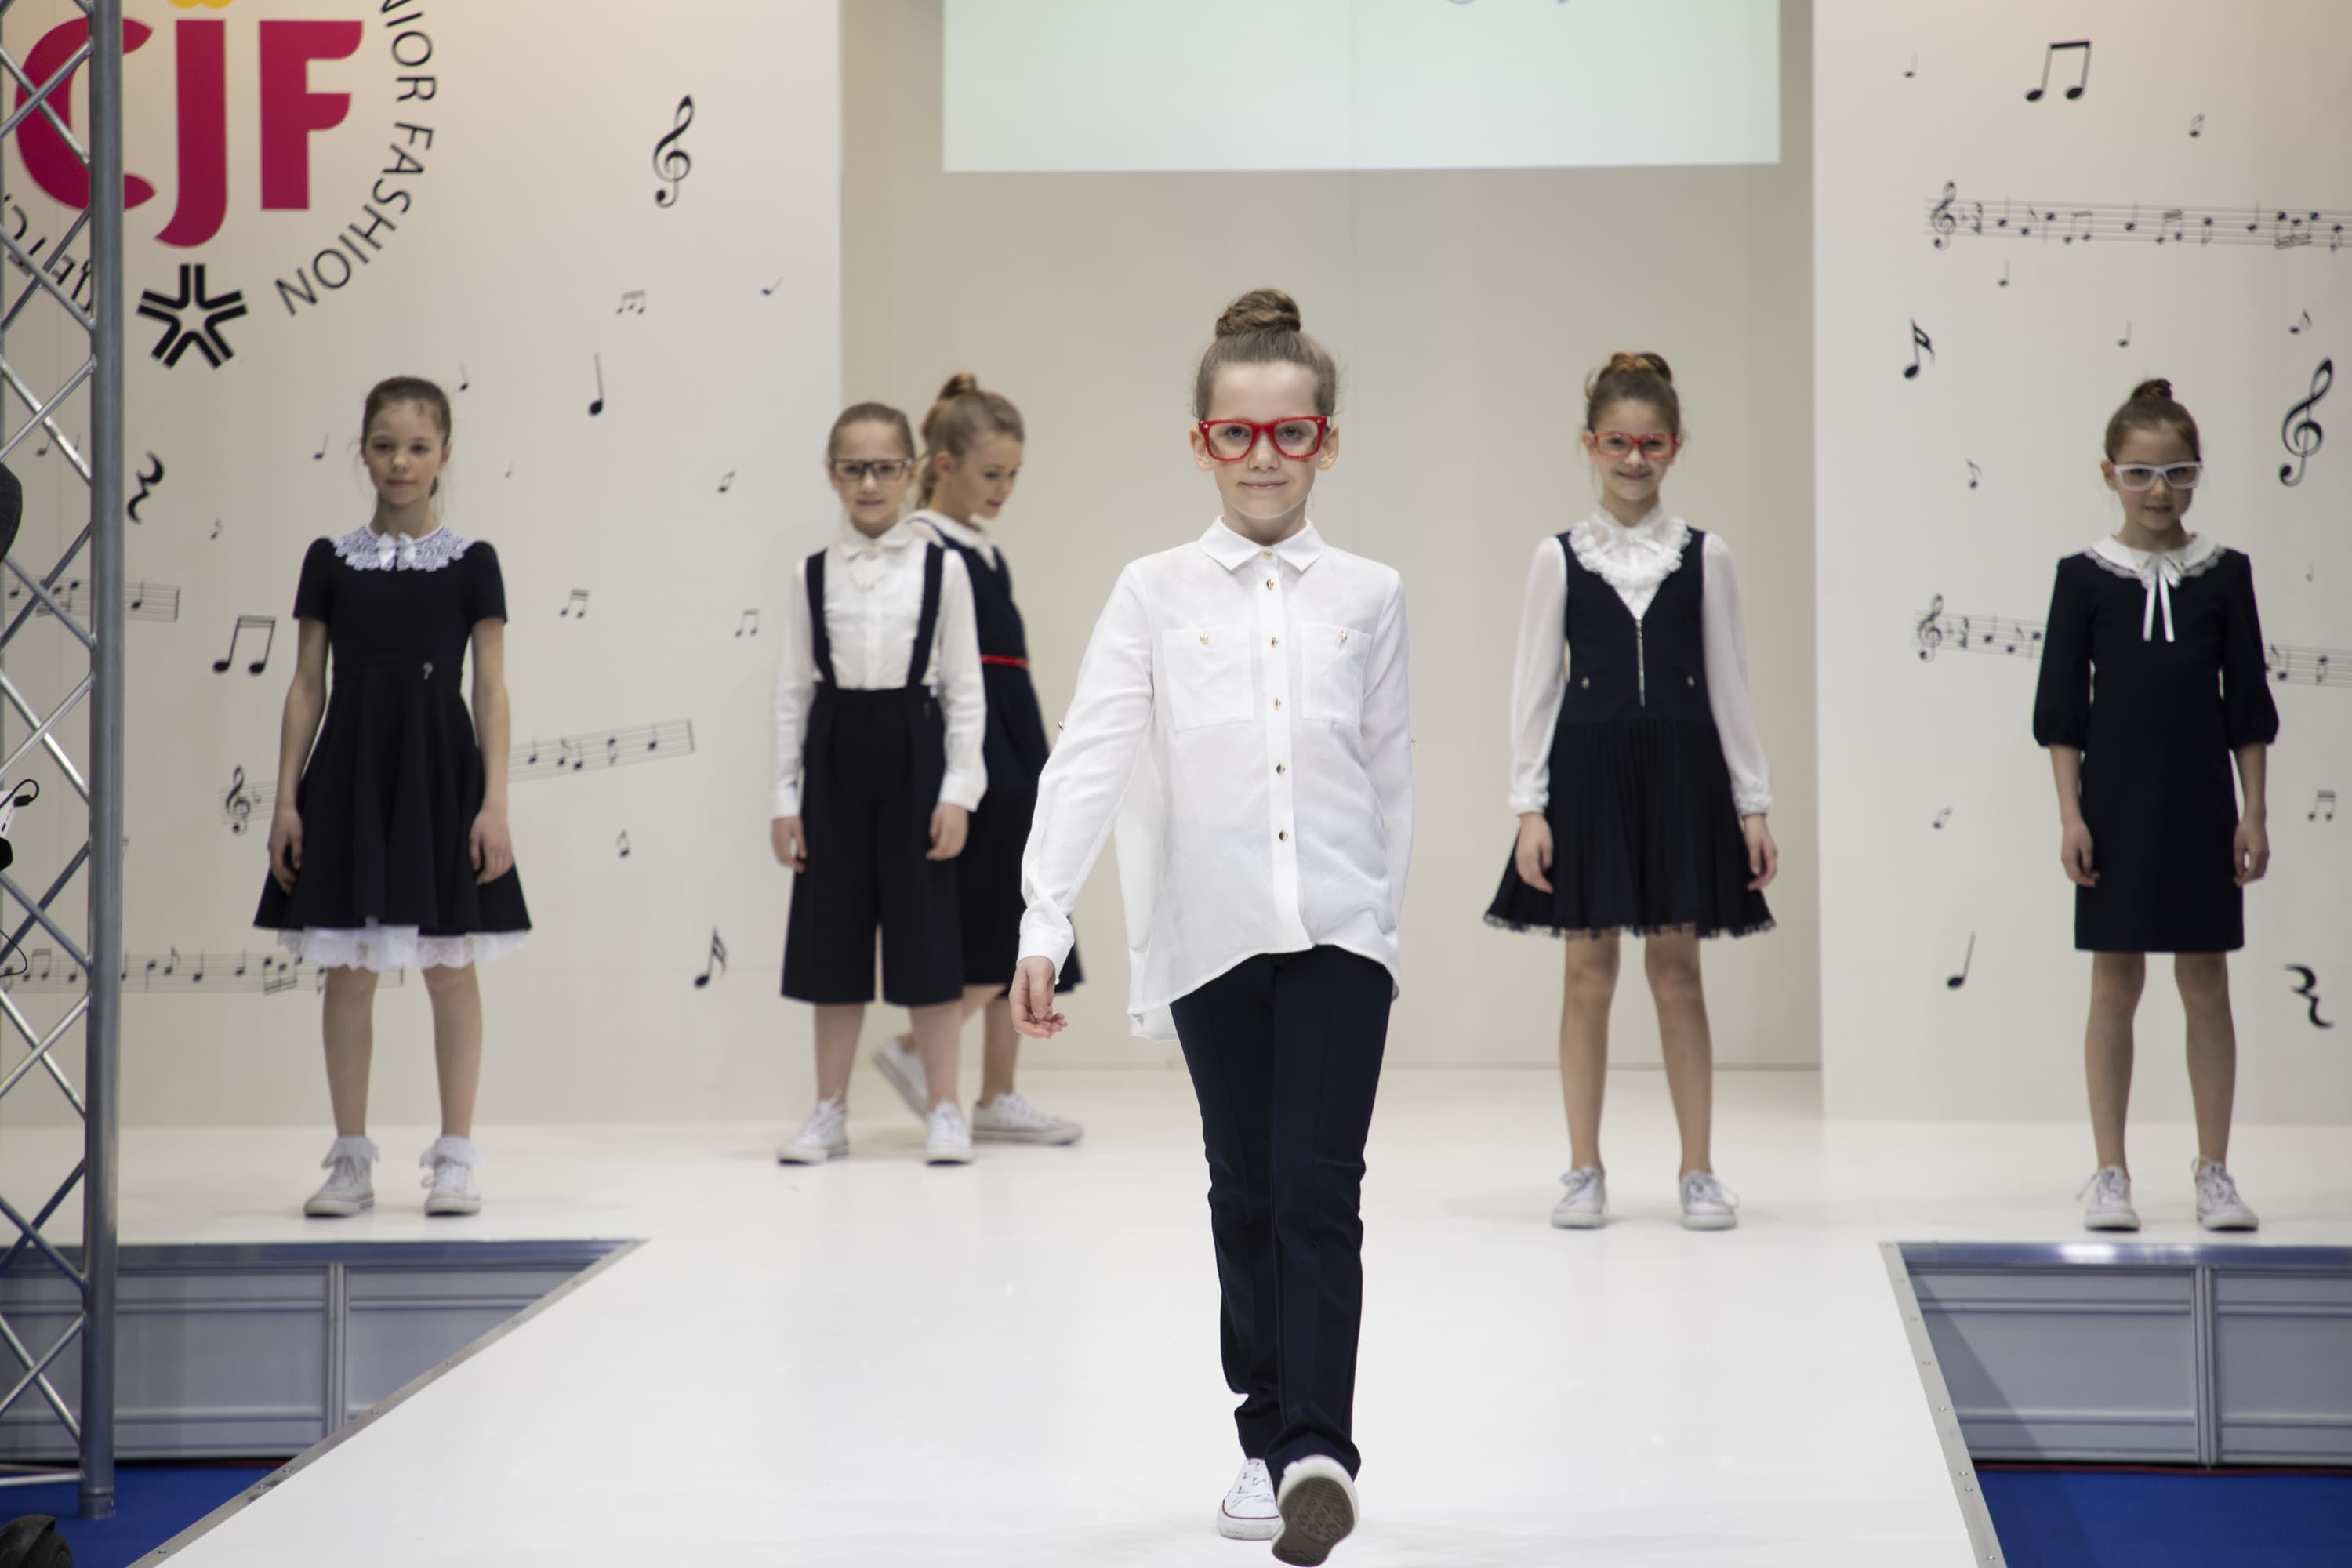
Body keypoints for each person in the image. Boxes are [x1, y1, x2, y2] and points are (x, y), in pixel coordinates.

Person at [1011, 290, 1411, 1566]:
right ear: (1201, 444)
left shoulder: (1371, 594)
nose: (1263, 458)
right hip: (1210, 936)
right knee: (1246, 1190)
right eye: (1237, 434)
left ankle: (1320, 1453)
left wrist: (1381, 924)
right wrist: (1042, 916)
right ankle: (1264, 1436)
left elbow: (1389, 776)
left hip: (1339, 931)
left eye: (1290, 434)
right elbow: (1089, 754)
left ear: (1326, 441)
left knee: (1320, 1189)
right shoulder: (1152, 591)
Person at [1486, 352, 1777, 1232]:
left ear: (1676, 446)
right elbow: (1535, 686)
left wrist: (1752, 802)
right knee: (1588, 973)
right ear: (1590, 445)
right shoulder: (1558, 558)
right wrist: (1529, 806)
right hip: (1589, 778)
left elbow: (1729, 681)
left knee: (1679, 973)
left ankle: (1699, 1168)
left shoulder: (1706, 555)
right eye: (1617, 442)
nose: (1634, 458)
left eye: (1651, 443)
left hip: (1684, 776)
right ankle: (1584, 1167)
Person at [258, 376, 528, 1218]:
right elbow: (306, 685)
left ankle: (456, 1156)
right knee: (348, 969)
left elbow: (491, 689)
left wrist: (494, 803)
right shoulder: (330, 559)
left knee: (451, 968)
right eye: (384, 446)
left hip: (439, 772)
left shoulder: (473, 562)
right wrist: (286, 800)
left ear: (444, 453)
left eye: (417, 447)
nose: (400, 462)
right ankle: (350, 1158)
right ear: (363, 452)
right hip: (350, 770)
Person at [2034, 378, 2276, 1232]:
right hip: (2115, 806)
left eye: (2177, 472)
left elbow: (2247, 708)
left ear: (2197, 473)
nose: (2159, 490)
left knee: (2206, 979)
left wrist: (2254, 811)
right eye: (2140, 473)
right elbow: (2062, 712)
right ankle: (2110, 1171)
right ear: (2110, 474)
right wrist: (2071, 815)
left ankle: (2215, 1170)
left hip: (2203, 803)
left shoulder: (2226, 575)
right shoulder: (2082, 578)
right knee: (2116, 979)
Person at [771, 402, 988, 1166]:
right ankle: (829, 1110)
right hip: (835, 752)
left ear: (911, 471)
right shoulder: (810, 573)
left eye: (885, 467)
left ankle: (945, 1108)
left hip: (914, 750)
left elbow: (964, 688)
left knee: (928, 940)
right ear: (832, 474)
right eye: (854, 468)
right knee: (832, 939)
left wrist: (958, 791)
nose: (870, 482)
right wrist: (785, 798)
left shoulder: (943, 568)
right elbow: (793, 692)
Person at [872, 373, 1083, 1145]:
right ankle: (913, 1049)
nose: (1004, 489)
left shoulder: (983, 551)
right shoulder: (921, 546)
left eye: (1013, 475)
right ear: (944, 464)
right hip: (978, 744)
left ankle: (999, 1092)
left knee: (1024, 908)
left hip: (1014, 733)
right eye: (992, 473)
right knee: (996, 913)